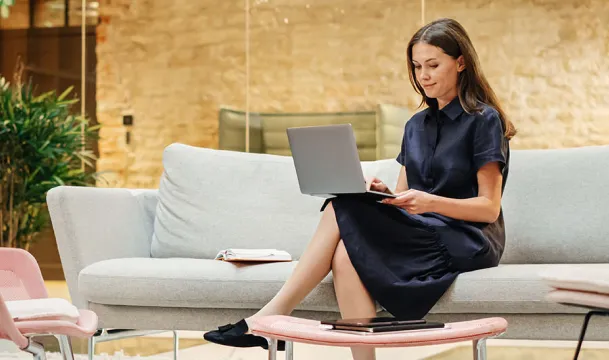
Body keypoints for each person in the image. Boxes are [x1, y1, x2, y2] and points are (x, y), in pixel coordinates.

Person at [203, 17, 517, 360]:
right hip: (424, 230)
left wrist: (429, 202)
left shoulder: (484, 119)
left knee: (341, 207)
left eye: (433, 65)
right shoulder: (415, 126)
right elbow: (403, 198)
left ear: (460, 63)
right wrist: (384, 195)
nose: (423, 75)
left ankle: (268, 319)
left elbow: (488, 208)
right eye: (416, 66)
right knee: (345, 252)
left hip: (468, 238)